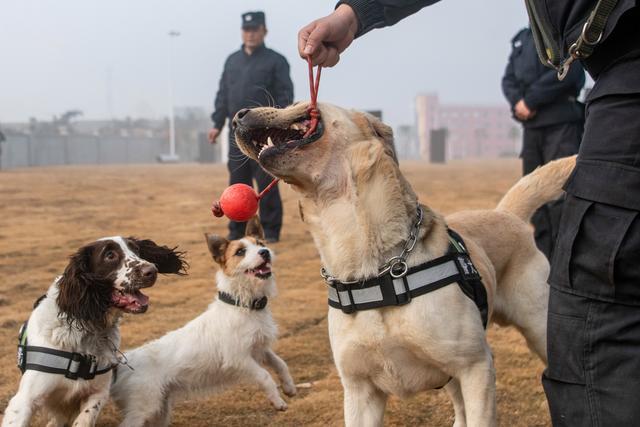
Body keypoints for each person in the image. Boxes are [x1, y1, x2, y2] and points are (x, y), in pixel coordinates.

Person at [298, 1, 640, 425]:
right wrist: (355, 14)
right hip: (609, 61)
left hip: (622, 57)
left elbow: (473, 361)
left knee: (589, 329)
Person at [502, 27, 585, 260]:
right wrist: (518, 103)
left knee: (562, 196)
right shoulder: (522, 39)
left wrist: (530, 100)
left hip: (562, 123)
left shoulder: (567, 29)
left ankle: (567, 259)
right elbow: (508, 79)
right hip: (532, 128)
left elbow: (571, 68)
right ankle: (546, 259)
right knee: (534, 194)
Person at [209, 11, 294, 242]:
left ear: (264, 31)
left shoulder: (276, 61)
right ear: (242, 32)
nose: (251, 34)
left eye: (255, 29)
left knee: (266, 182)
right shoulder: (232, 61)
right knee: (237, 182)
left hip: (264, 134)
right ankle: (236, 230)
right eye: (247, 30)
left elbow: (285, 94)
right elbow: (223, 94)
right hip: (237, 133)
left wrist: (281, 126)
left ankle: (272, 232)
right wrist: (217, 123)